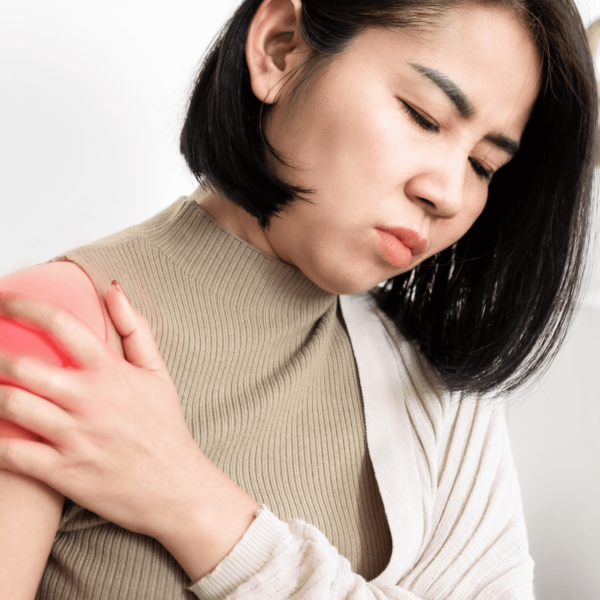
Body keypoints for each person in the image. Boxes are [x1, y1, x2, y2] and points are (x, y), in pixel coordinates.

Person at [0, 0, 596, 598]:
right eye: (423, 115)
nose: (447, 193)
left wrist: (194, 505)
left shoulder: (435, 392)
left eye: (482, 164)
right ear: (279, 49)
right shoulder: (55, 332)